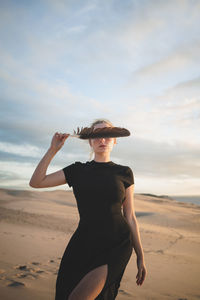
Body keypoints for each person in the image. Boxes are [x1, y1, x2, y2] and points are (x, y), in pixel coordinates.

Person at [29, 118, 147, 300]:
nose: (102, 140)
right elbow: (36, 182)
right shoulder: (77, 170)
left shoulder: (124, 172)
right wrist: (53, 150)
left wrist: (140, 255)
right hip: (83, 242)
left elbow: (130, 216)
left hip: (116, 243)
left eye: (107, 135)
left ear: (115, 140)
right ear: (90, 141)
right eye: (97, 135)